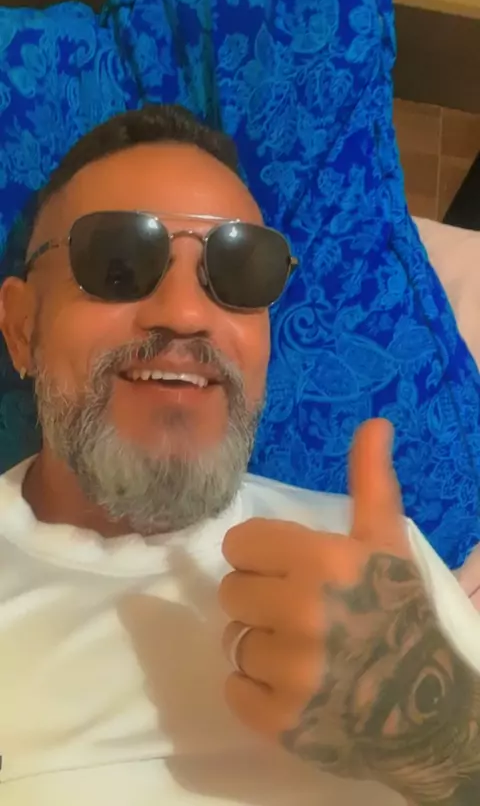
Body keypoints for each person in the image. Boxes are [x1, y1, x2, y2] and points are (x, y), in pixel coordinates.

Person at [1, 104, 480, 806]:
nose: (185, 314)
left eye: (238, 269)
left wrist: (441, 741)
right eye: (117, 262)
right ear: (21, 328)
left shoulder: (379, 569)